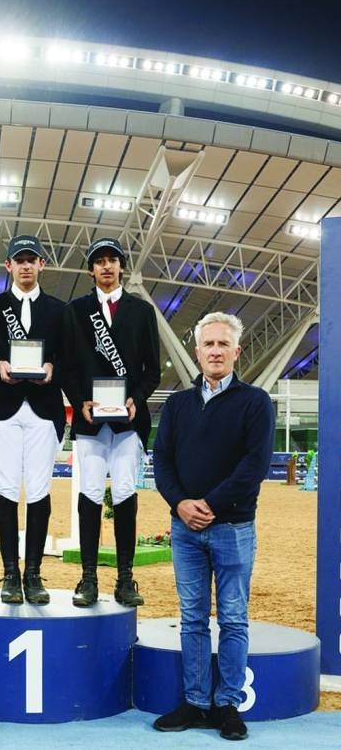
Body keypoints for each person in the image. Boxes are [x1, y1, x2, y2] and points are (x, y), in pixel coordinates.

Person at [151, 312, 274, 741]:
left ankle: (228, 705)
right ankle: (196, 701)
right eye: (209, 345)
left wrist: (208, 504)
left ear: (236, 352)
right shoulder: (178, 405)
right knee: (193, 619)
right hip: (185, 530)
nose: (216, 351)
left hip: (233, 527)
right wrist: (181, 503)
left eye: (224, 344)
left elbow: (254, 467)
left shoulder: (256, 402)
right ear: (197, 351)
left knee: (235, 619)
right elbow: (161, 460)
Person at [60, 237, 160, 607]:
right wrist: (78, 401)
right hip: (90, 421)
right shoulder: (75, 312)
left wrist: (137, 399)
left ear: (121, 267)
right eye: (99, 261)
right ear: (91, 270)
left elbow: (152, 370)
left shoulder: (142, 311)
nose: (106, 266)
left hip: (128, 422)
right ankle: (88, 577)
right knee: (88, 492)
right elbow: (67, 367)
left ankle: (125, 578)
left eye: (112, 260)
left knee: (123, 494)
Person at [0, 235, 65, 604]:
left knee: (40, 491)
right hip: (4, 410)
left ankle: (34, 574)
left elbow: (68, 358)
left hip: (44, 408)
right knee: (8, 490)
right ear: (8, 266)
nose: (26, 265)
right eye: (19, 260)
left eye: (32, 260)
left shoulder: (60, 310)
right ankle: (10, 573)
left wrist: (52, 367)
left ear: (42, 265)